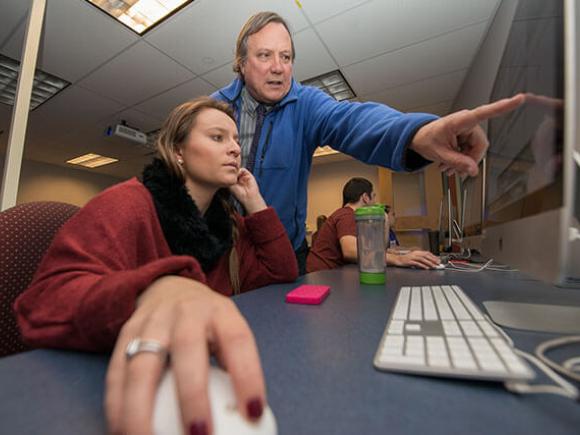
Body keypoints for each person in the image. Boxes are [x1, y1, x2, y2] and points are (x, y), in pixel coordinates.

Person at [14, 97, 298, 435]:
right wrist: (153, 288)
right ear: (178, 151)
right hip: (78, 388)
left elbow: (282, 271)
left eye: (237, 140)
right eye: (218, 137)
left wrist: (255, 203)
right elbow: (43, 301)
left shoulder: (228, 223)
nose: (235, 149)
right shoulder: (126, 203)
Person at [212, 11, 526, 274]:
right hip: (219, 254)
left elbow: (353, 120)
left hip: (282, 256)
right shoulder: (211, 110)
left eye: (286, 57)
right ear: (241, 62)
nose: (279, 67)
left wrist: (418, 132)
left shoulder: (305, 105)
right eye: (265, 55)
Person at [306, 178, 440, 272]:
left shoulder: (351, 216)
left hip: (330, 274)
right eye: (373, 196)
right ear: (365, 197)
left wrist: (385, 222)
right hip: (321, 277)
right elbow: (351, 251)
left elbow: (376, 249)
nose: (375, 201)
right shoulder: (347, 215)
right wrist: (399, 259)